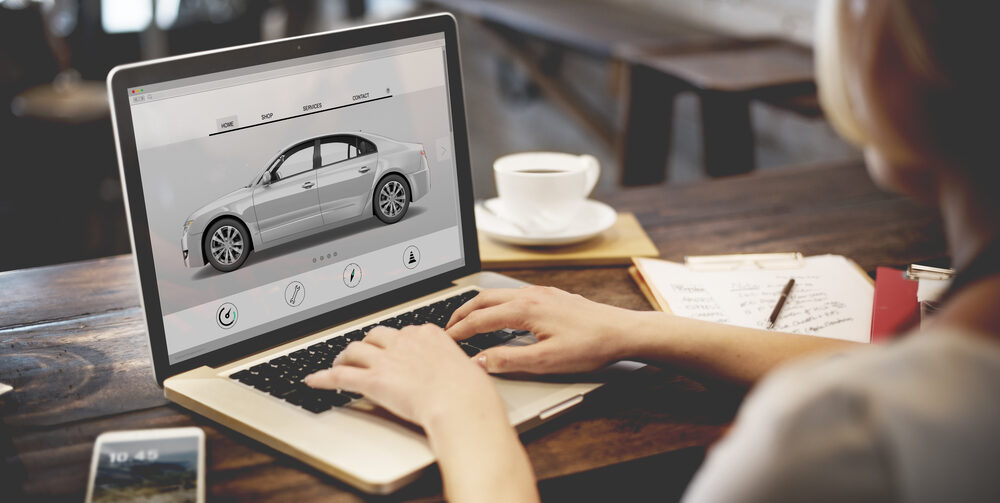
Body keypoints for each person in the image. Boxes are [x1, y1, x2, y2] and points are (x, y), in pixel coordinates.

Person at [305, 0, 1000, 501]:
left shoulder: (837, 436)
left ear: (919, 67)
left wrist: (462, 410)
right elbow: (891, 362)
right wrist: (637, 330)